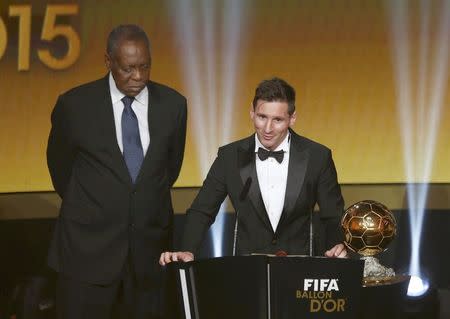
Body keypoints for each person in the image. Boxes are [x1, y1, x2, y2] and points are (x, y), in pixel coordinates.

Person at [47, 24, 187, 319]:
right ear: (108, 61)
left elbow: (168, 170)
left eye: (145, 67)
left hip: (149, 257)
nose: (138, 77)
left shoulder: (174, 105)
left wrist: (137, 201)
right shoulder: (74, 106)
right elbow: (60, 169)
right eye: (128, 68)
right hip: (87, 253)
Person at [160, 77, 346, 266]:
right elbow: (202, 210)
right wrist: (187, 248)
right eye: (262, 117)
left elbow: (333, 215)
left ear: (292, 118)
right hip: (247, 270)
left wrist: (336, 246)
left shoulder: (317, 156)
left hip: (301, 267)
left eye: (278, 120)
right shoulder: (229, 157)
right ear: (252, 112)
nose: (267, 128)